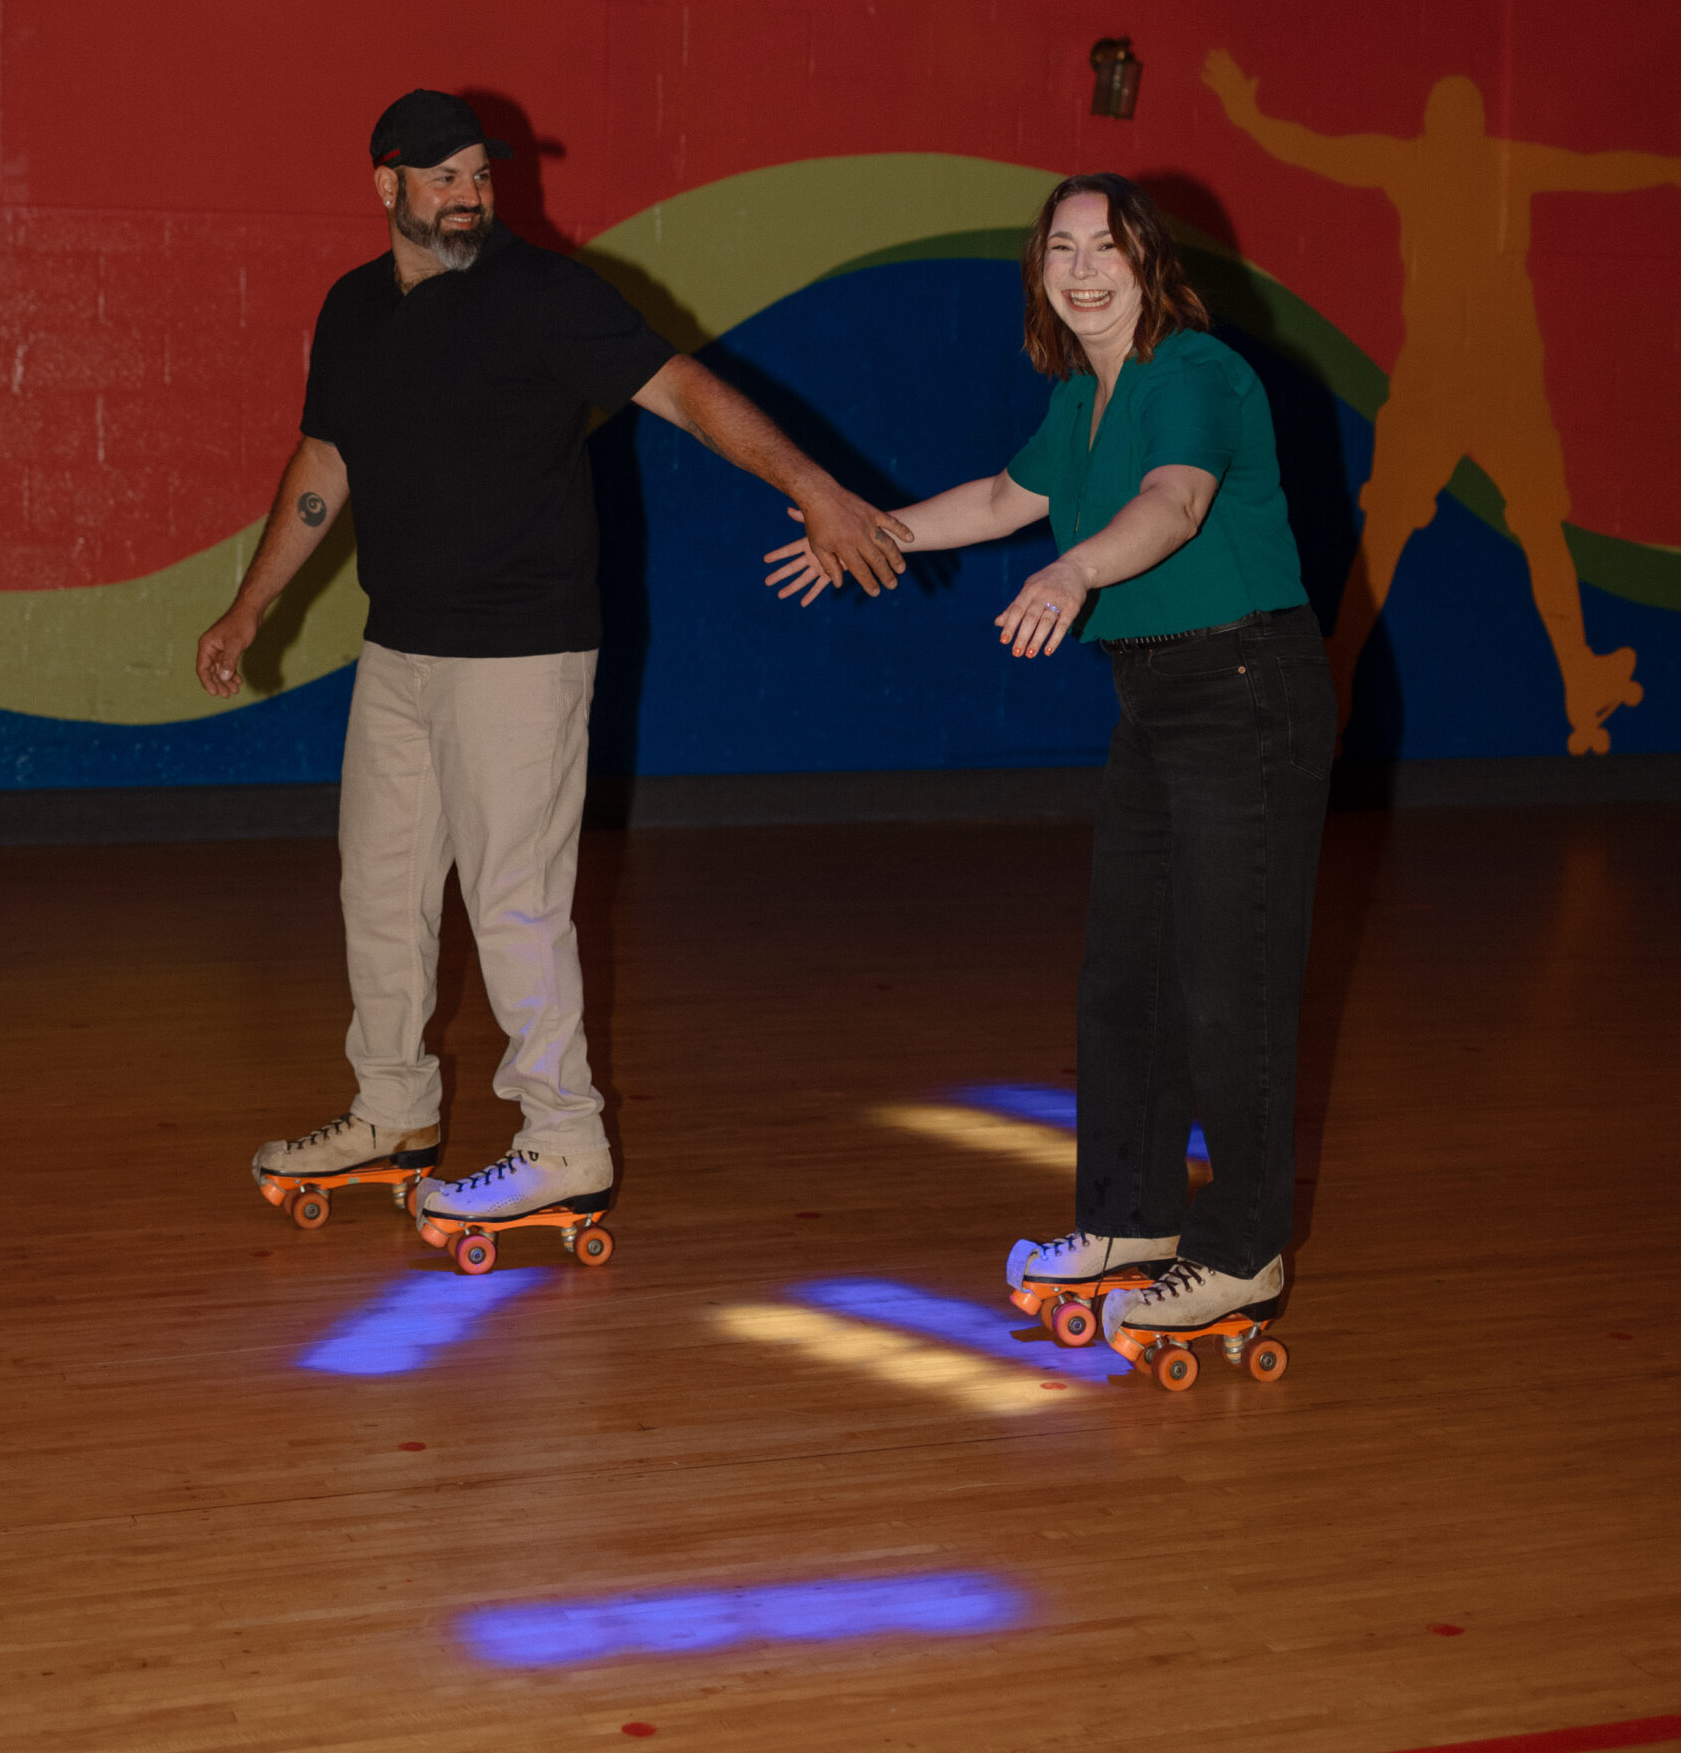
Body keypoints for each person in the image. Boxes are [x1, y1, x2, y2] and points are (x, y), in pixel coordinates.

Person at [198, 90, 909, 1237]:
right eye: (442, 175)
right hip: (401, 648)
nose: (470, 191)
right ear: (387, 188)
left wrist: (814, 488)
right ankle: (392, 1110)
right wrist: (249, 608)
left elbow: (681, 388)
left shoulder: (543, 295)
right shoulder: (353, 312)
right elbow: (327, 456)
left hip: (521, 654)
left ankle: (563, 1139)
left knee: (515, 902)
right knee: (378, 890)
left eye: (481, 170)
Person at [766, 172, 1335, 1342]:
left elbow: (1174, 505)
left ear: (1149, 262)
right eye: (1061, 248)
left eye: (1106, 246)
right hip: (1159, 699)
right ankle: (1130, 1220)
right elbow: (996, 498)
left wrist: (1076, 571)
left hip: (1245, 691)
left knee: (1233, 987)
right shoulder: (1081, 397)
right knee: (1127, 975)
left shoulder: (1197, 374)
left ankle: (1241, 1253)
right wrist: (865, 533)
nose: (1081, 268)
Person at [1205, 51, 1681, 754]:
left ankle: (1576, 673)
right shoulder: (1466, 162)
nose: (1455, 128)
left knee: (1464, 528)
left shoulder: (1457, 162)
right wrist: (1247, 115)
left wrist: (1248, 114)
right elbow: (1316, 153)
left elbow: (1601, 171)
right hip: (1461, 382)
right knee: (1441, 529)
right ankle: (1559, 673)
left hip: (1487, 383)